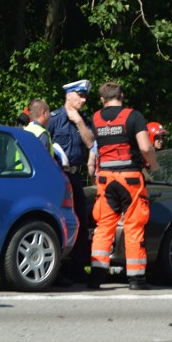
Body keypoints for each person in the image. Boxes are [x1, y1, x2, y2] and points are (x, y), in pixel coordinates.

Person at [88, 81, 159, 290]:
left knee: (104, 226)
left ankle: (96, 276)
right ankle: (136, 279)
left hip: (106, 178)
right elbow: (145, 147)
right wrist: (154, 165)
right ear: (122, 95)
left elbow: (94, 148)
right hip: (130, 177)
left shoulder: (96, 118)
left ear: (102, 99)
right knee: (134, 226)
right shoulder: (133, 116)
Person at [47, 79, 96, 285]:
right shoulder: (54, 119)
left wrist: (79, 122)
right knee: (57, 222)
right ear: (69, 95)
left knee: (80, 222)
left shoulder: (82, 119)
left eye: (85, 96)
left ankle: (76, 268)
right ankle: (55, 270)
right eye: (80, 95)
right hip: (57, 177)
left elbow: (91, 143)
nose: (84, 100)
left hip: (75, 177)